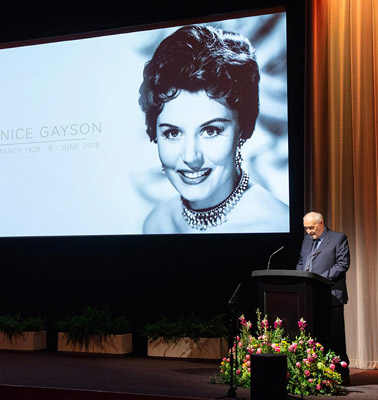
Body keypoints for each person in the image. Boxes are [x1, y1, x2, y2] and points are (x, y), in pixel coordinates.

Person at [139, 25, 288, 233]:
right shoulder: (157, 224)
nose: (191, 157)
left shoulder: (277, 225)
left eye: (211, 131)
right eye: (172, 133)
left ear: (243, 130)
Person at [296, 211, 351, 384]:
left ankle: (342, 373)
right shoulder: (306, 241)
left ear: (321, 224)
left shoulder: (338, 238)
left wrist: (320, 279)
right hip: (310, 295)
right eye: (306, 229)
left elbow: (342, 264)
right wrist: (300, 276)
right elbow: (301, 262)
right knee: (316, 336)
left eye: (311, 228)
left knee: (335, 337)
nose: (309, 232)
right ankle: (318, 373)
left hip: (331, 295)